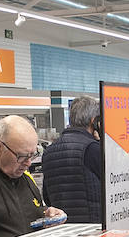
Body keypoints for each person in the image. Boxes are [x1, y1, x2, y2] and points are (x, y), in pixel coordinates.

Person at [40, 94, 102, 223]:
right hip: (92, 227)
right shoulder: (93, 148)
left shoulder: (49, 151)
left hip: (63, 227)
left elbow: (47, 196)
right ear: (93, 121)